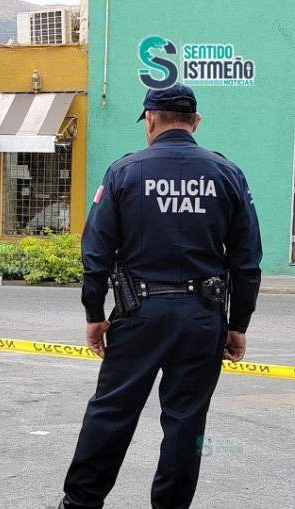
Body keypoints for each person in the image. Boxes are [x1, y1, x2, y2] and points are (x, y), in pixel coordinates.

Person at [59, 84, 262, 509]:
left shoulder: (124, 172)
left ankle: (79, 504)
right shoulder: (227, 174)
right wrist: (237, 324)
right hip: (202, 318)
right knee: (186, 423)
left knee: (111, 413)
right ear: (195, 122)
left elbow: (95, 253)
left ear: (150, 120)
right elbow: (247, 261)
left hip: (138, 314)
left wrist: (95, 313)